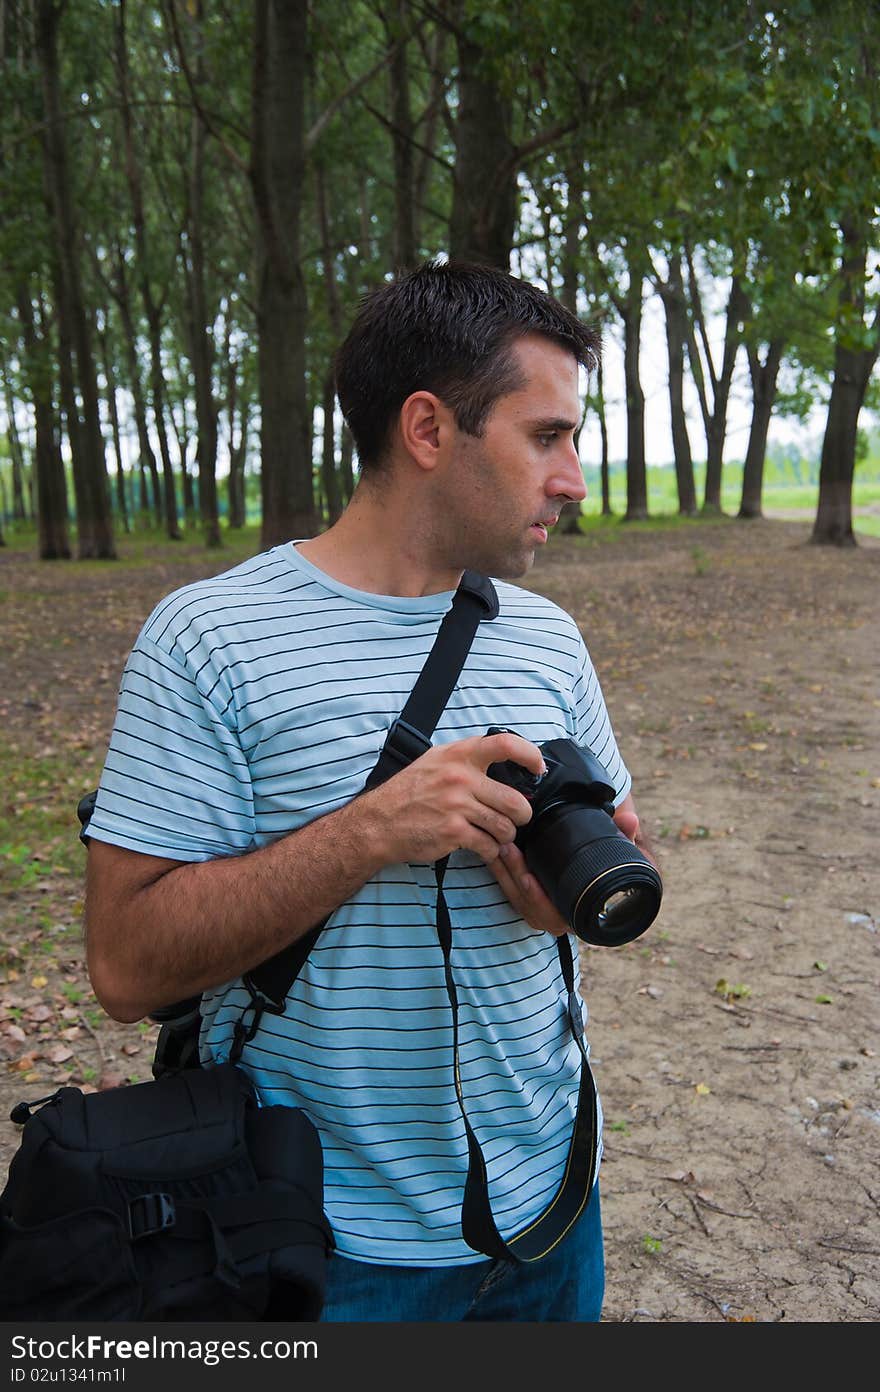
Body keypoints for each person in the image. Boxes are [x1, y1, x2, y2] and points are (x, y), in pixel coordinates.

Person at [84, 259, 654, 1323]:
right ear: (429, 430)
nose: (574, 478)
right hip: (323, 1242)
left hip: (550, 1213)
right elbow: (123, 967)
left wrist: (559, 890)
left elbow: (607, 865)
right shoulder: (210, 641)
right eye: (546, 437)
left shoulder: (547, 638)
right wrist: (367, 833)